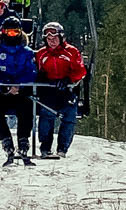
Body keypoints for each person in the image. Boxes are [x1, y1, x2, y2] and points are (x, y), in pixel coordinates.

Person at [0, 17, 38, 163]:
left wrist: (19, 85)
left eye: (16, 32)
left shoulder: (27, 52)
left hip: (20, 91)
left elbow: (31, 72)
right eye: (9, 32)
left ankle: (23, 140)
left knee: (26, 107)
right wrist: (3, 86)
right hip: (1, 91)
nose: (12, 35)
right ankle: (6, 141)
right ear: (3, 32)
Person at [34, 21, 87, 157]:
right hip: (49, 89)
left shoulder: (71, 51)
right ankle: (45, 148)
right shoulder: (42, 54)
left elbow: (81, 70)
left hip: (67, 89)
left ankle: (62, 148)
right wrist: (42, 78)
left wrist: (69, 79)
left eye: (55, 38)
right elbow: (36, 70)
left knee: (69, 114)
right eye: (49, 39)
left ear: (61, 37)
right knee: (47, 114)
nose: (52, 42)